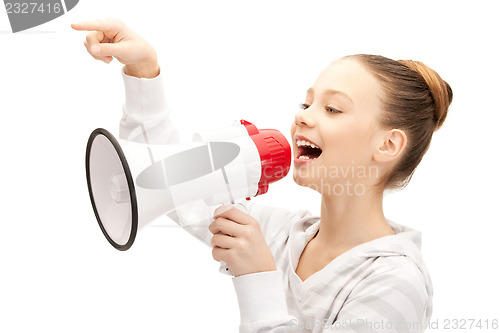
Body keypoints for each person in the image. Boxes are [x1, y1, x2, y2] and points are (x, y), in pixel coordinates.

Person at [72, 18, 452, 333]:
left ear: (388, 145)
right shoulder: (281, 235)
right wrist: (143, 73)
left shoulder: (395, 282)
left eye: (333, 109)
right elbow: (173, 185)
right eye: (307, 103)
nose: (303, 116)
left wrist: (258, 279)